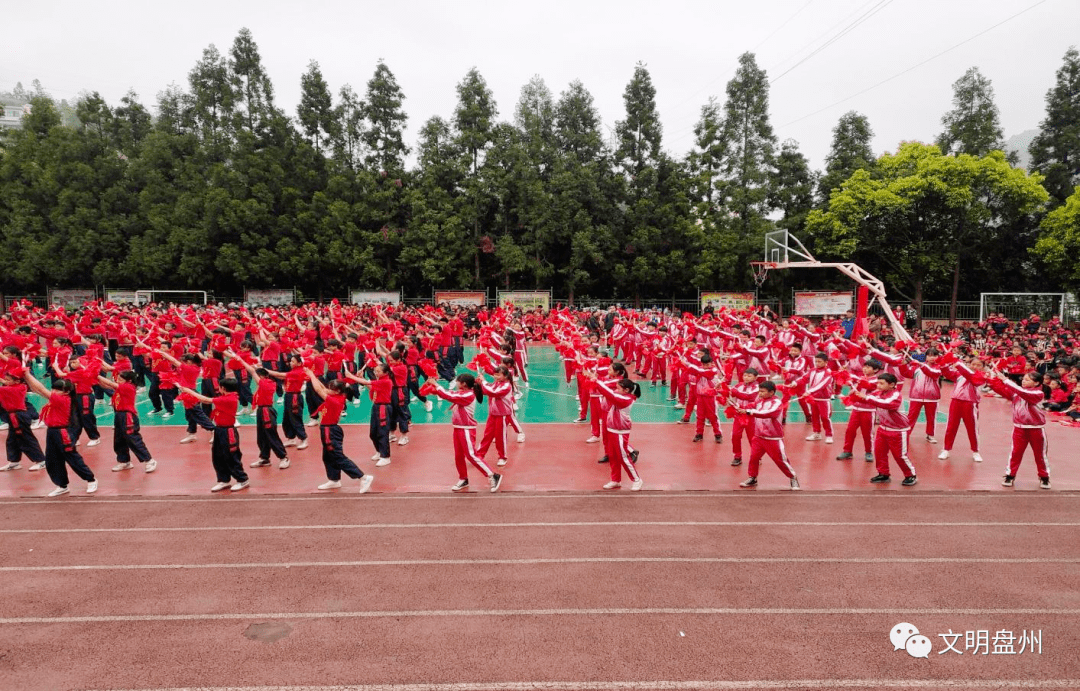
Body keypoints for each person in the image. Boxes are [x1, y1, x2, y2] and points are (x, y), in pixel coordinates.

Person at [22, 372, 97, 497]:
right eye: (53, 389)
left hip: (62, 432)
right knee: (52, 459)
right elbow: (37, 389)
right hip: (51, 432)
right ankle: (62, 485)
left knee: (72, 458)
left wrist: (27, 374)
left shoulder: (63, 399)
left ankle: (91, 479)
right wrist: (25, 376)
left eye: (57, 389)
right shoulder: (58, 397)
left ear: (66, 392)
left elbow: (41, 389)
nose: (54, 391)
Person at [431, 373, 503, 492]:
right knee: (459, 456)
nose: (456, 383)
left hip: (466, 429)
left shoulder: (468, 395)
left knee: (471, 455)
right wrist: (435, 389)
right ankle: (463, 478)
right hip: (458, 428)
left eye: (458, 381)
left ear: (463, 384)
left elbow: (449, 396)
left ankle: (492, 475)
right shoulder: (463, 393)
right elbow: (451, 394)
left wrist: (436, 386)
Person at [304, 371, 374, 492]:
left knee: (337, 456)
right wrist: (314, 376)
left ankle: (363, 477)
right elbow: (322, 388)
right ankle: (334, 480)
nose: (327, 389)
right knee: (327, 456)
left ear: (336, 391)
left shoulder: (335, 401)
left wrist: (311, 376)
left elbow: (319, 390)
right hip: (327, 429)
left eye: (330, 388)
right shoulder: (336, 396)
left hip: (330, 430)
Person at [178, 378, 250, 492]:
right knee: (218, 456)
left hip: (228, 432)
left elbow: (206, 399)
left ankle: (242, 479)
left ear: (224, 388)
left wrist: (188, 391)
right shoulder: (225, 397)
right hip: (219, 430)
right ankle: (223, 480)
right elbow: (207, 401)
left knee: (231, 457)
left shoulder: (230, 399)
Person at [987, 369, 1050, 489]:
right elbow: (1002, 390)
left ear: (1036, 383)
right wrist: (991, 379)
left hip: (1036, 429)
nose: (1023, 381)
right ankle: (1010, 475)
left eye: (1027, 379)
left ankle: (1044, 477)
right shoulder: (1018, 392)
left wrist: (1005, 380)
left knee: (1040, 455)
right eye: (1023, 379)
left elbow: (1021, 392)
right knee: (1015, 453)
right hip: (1019, 429)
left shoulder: (1038, 394)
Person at [584, 368, 643, 491]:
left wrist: (596, 381)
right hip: (612, 430)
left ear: (626, 390)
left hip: (620, 433)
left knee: (623, 457)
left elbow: (610, 394)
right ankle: (615, 480)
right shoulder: (619, 397)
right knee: (613, 457)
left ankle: (637, 479)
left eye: (618, 388)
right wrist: (592, 378)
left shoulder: (626, 400)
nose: (615, 389)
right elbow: (606, 399)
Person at [855, 373, 918, 486]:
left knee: (900, 455)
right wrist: (853, 395)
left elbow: (888, 404)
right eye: (878, 383)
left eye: (881, 383)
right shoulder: (878, 393)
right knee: (879, 452)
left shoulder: (896, 395)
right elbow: (867, 399)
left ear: (892, 385)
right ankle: (883, 473)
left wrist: (867, 397)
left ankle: (910, 475)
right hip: (883, 428)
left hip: (898, 431)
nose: (878, 385)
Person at [736, 381, 799, 490]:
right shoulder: (759, 401)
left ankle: (793, 477)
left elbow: (767, 413)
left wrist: (748, 411)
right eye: (759, 391)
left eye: (762, 391)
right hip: (758, 437)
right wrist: (739, 407)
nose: (760, 393)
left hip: (773, 438)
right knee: (754, 458)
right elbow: (751, 406)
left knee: (781, 460)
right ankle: (753, 477)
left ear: (771, 392)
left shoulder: (776, 403)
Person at [96, 370, 157, 473]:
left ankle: (149, 460)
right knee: (119, 439)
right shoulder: (121, 386)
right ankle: (124, 461)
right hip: (119, 415)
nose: (118, 380)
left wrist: (95, 375)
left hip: (128, 416)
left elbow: (110, 384)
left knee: (133, 439)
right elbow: (106, 386)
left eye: (120, 379)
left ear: (128, 380)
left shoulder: (128, 387)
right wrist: (93, 379)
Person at [344, 363, 393, 467]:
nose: (376, 372)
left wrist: (351, 376)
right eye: (376, 370)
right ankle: (379, 451)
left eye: (378, 371)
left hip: (383, 408)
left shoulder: (386, 381)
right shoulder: (380, 381)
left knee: (382, 433)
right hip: (376, 407)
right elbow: (371, 387)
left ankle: (386, 457)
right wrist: (361, 377)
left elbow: (367, 382)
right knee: (373, 433)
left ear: (385, 372)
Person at [0, 364, 46, 472]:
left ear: (17, 381)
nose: (5, 381)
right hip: (14, 416)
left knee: (26, 439)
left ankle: (41, 460)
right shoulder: (18, 386)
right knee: (12, 439)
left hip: (18, 417)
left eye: (8, 380)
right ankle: (14, 461)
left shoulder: (12, 389)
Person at [939, 356, 985, 463]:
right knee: (951, 427)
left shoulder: (981, 376)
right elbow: (947, 373)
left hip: (970, 403)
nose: (975, 367)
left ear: (983, 368)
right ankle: (946, 449)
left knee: (972, 428)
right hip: (956, 402)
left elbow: (972, 378)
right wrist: (945, 361)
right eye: (973, 364)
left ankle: (975, 451)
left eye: (979, 365)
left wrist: (959, 364)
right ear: (969, 364)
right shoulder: (959, 374)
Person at [837, 359, 881, 462]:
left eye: (868, 367)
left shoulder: (876, 381)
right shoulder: (861, 378)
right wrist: (845, 373)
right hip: (856, 409)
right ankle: (847, 451)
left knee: (868, 433)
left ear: (875, 370)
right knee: (850, 431)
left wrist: (852, 377)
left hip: (868, 410)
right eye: (864, 367)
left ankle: (869, 452)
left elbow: (867, 385)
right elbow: (853, 380)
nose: (865, 369)